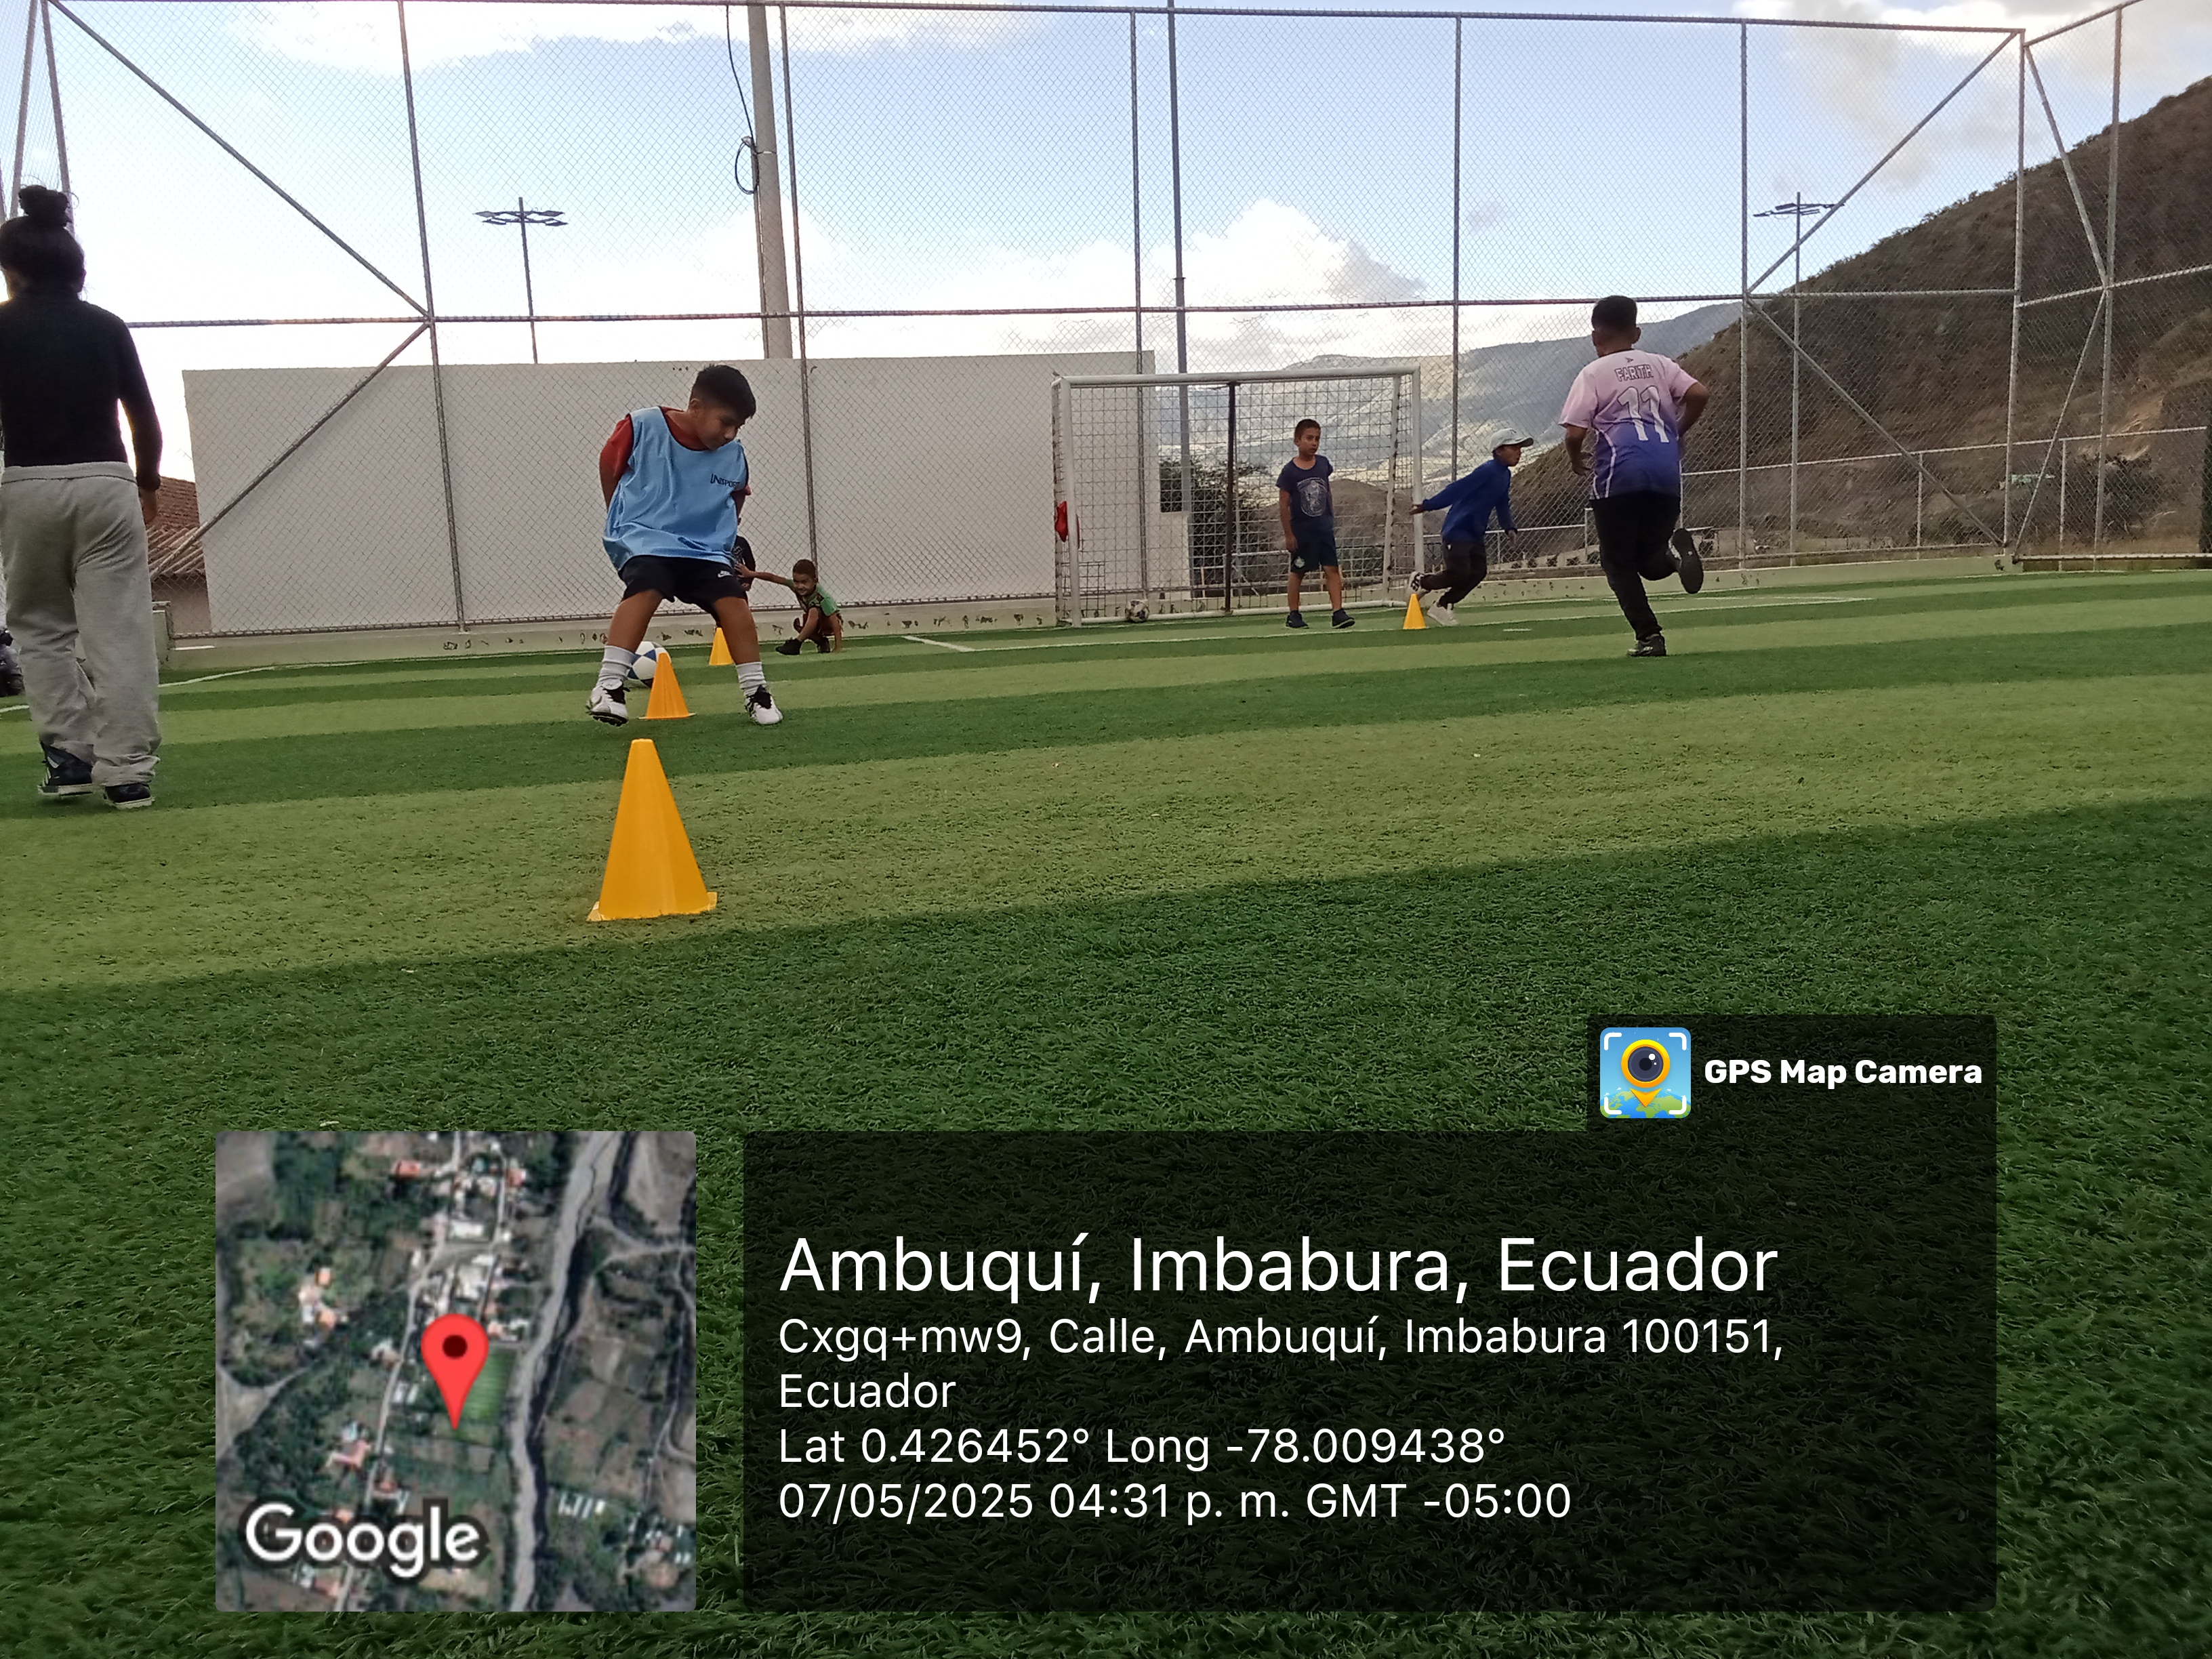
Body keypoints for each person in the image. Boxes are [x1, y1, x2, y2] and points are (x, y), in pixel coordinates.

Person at [0, 186, 163, 807]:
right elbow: (143, 417)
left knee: (40, 628)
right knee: (119, 630)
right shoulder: (107, 326)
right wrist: (148, 483)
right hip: (107, 483)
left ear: (11, 269)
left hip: (27, 485)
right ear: (78, 269)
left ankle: (69, 756)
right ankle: (127, 771)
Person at [588, 365, 781, 725]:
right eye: (726, 422)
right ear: (695, 407)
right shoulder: (642, 426)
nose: (731, 433)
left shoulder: (733, 454)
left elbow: (737, 494)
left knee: (734, 603)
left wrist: (722, 538)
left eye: (738, 427)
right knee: (647, 585)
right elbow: (609, 465)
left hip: (703, 550)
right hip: (647, 539)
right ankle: (609, 685)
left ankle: (757, 692)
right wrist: (621, 517)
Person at [1559, 295, 1708, 656]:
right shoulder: (1660, 364)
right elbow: (1699, 393)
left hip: (1621, 472)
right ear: (1637, 333)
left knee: (1617, 562)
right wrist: (1676, 431)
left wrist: (1575, 459)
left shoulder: (1593, 373)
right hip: (1666, 471)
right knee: (1648, 560)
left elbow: (1575, 433)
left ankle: (1649, 637)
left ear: (1595, 337)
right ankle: (1673, 555)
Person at [1404, 436, 1532, 624]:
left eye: (1520, 448)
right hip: (1458, 529)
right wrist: (1429, 505)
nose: (1519, 452)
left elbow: (1502, 503)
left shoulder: (1504, 475)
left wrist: (1509, 527)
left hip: (1476, 532)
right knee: (1460, 573)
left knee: (1478, 572)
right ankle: (1422, 582)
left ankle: (1443, 605)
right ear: (1498, 451)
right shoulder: (1488, 470)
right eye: (1514, 448)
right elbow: (1458, 489)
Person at [1277, 418, 1353, 630]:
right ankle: (1294, 614)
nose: (1314, 443)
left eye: (1317, 439)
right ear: (1297, 440)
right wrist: (1289, 534)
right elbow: (1283, 504)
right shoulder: (1290, 471)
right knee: (1298, 571)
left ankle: (1338, 612)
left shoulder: (1323, 464)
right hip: (1303, 532)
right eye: (1309, 438)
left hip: (1324, 529)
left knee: (1331, 568)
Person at [745, 557, 844, 655]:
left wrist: (838, 647)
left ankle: (797, 643)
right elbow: (773, 578)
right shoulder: (795, 587)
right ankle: (822, 642)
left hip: (829, 623)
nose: (800, 586)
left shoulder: (822, 597)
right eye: (796, 582)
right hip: (816, 622)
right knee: (799, 623)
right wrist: (752, 574)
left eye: (804, 582)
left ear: (815, 581)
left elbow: (834, 621)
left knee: (814, 610)